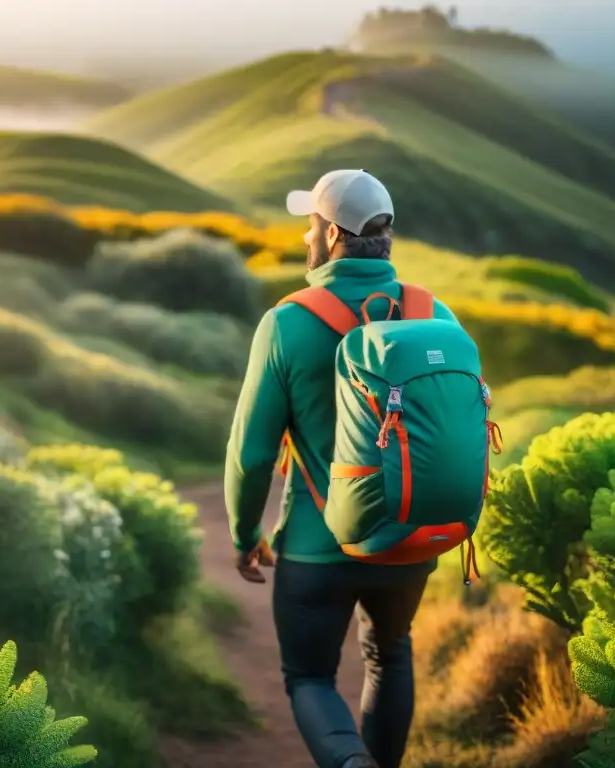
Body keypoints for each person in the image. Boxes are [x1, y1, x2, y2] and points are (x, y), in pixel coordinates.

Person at [224, 170, 460, 768]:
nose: (306, 237)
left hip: (317, 547)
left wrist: (245, 534)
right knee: (391, 654)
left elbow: (252, 453)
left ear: (332, 234)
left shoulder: (287, 323)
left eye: (310, 225)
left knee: (309, 678)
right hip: (409, 540)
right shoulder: (435, 315)